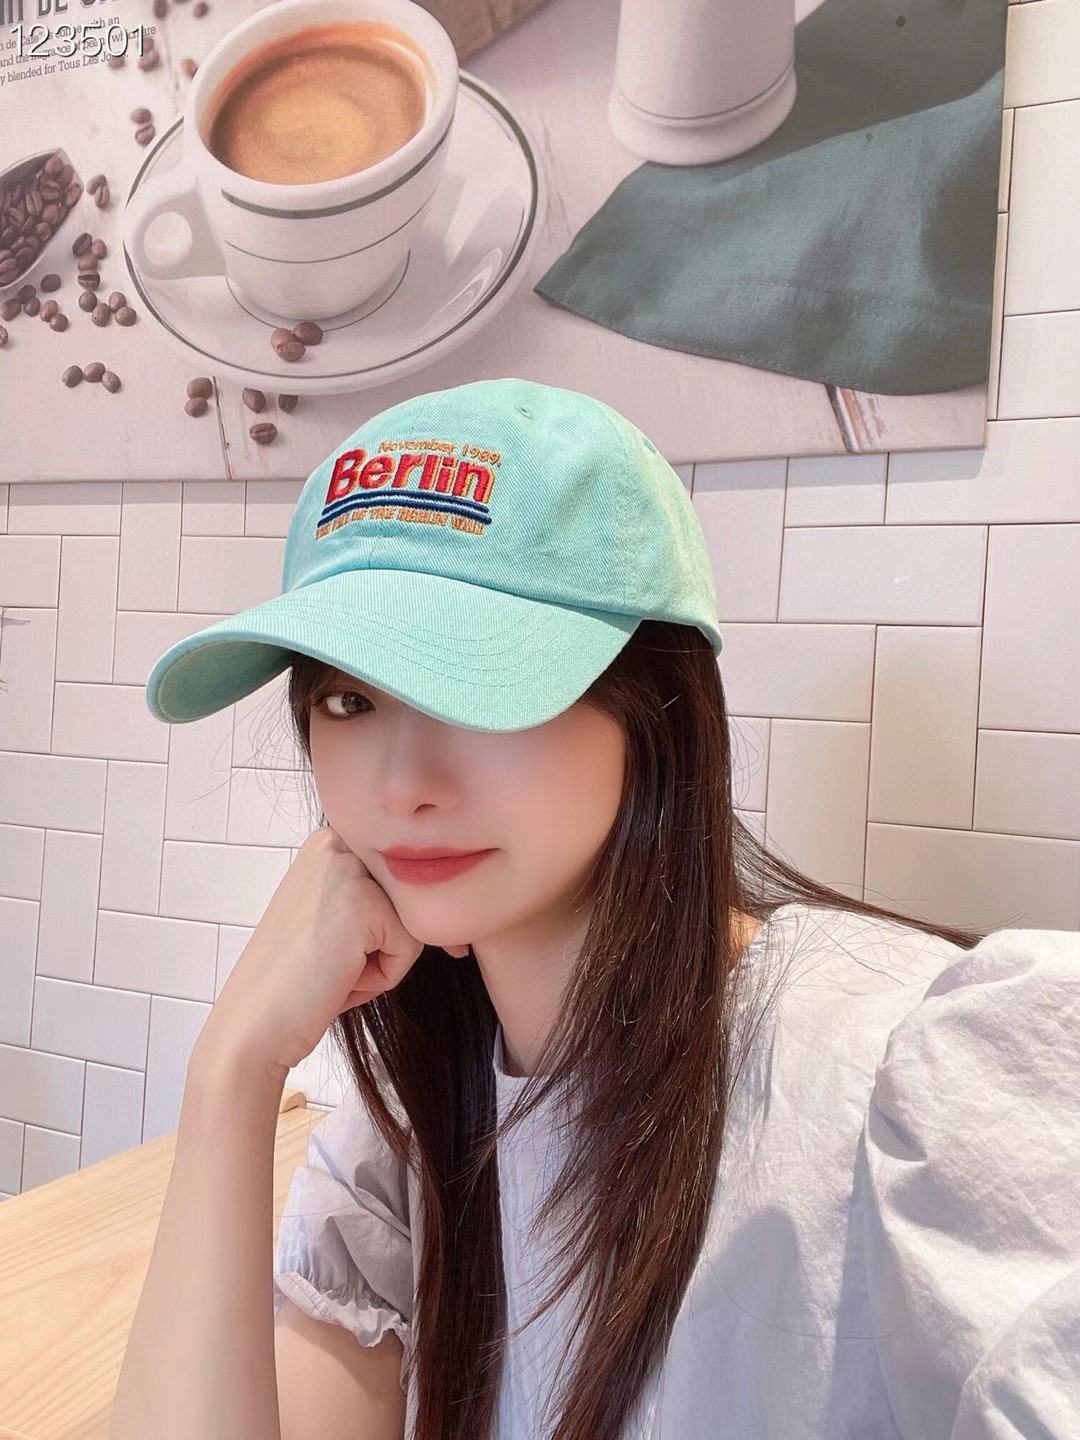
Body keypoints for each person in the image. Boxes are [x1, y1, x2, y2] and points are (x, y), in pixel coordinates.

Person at [111, 378, 1080, 1440]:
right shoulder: (410, 1138)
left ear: (653, 701)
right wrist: (233, 1070)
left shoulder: (911, 1085)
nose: (400, 786)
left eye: (474, 681)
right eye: (349, 700)